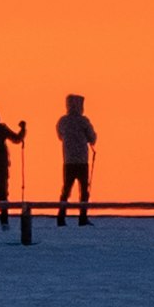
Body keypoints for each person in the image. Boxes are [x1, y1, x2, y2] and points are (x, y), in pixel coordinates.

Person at [54, 92, 99, 223]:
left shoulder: (62, 121)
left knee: (66, 189)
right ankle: (83, 217)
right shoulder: (83, 121)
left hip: (68, 160)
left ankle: (61, 216)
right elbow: (92, 138)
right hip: (82, 160)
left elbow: (60, 135)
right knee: (84, 190)